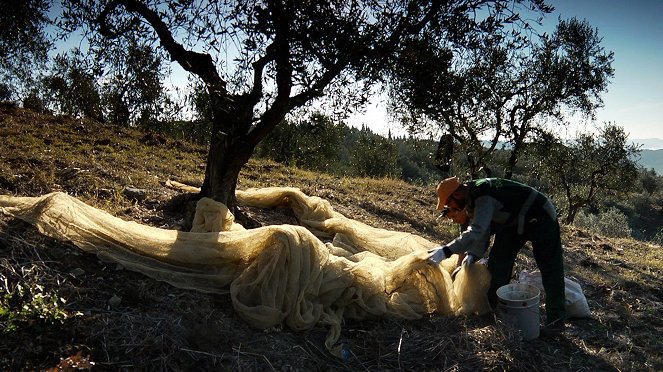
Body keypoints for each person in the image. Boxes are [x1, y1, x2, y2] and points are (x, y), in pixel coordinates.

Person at [427, 176, 566, 335]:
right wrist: (472, 256)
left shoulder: (483, 194)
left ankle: (556, 321)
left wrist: (445, 251)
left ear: (456, 195)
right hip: (513, 222)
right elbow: (483, 232)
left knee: (550, 268)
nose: (449, 207)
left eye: (448, 203)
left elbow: (477, 231)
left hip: (539, 215)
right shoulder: (471, 202)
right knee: (498, 263)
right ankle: (491, 309)